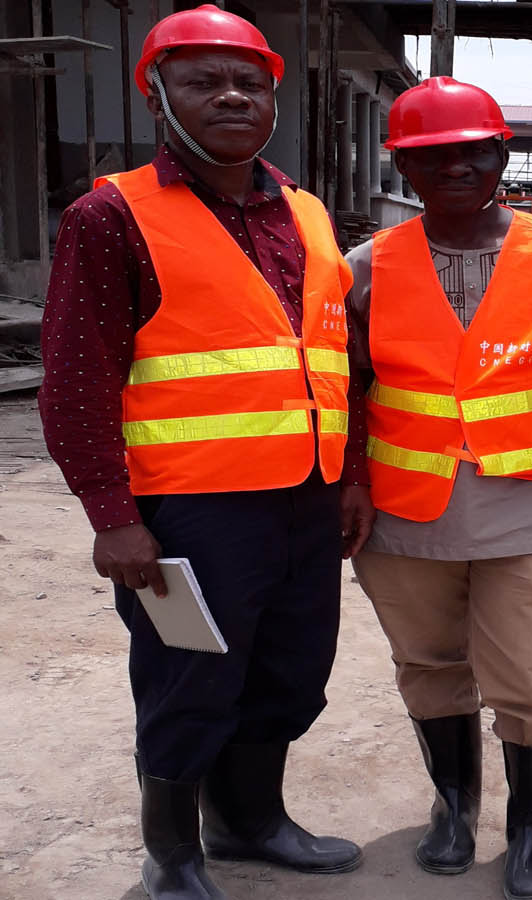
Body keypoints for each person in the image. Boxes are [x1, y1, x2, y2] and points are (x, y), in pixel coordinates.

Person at [38, 6, 372, 899]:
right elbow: (75, 382)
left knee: (292, 670)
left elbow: (339, 359)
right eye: (202, 81)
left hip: (304, 496)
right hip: (189, 510)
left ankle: (248, 821)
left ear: (272, 97)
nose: (231, 95)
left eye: (249, 82)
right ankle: (173, 854)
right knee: (189, 678)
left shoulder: (306, 213)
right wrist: (114, 519)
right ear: (157, 96)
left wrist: (350, 479)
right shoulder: (112, 216)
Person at [343, 77, 532, 900]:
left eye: (473, 150)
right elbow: (347, 389)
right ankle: (455, 806)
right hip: (404, 509)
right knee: (427, 664)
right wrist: (352, 483)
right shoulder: (365, 267)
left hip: (530, 507)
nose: (456, 166)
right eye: (432, 155)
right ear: (404, 167)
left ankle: (531, 830)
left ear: (502, 155)